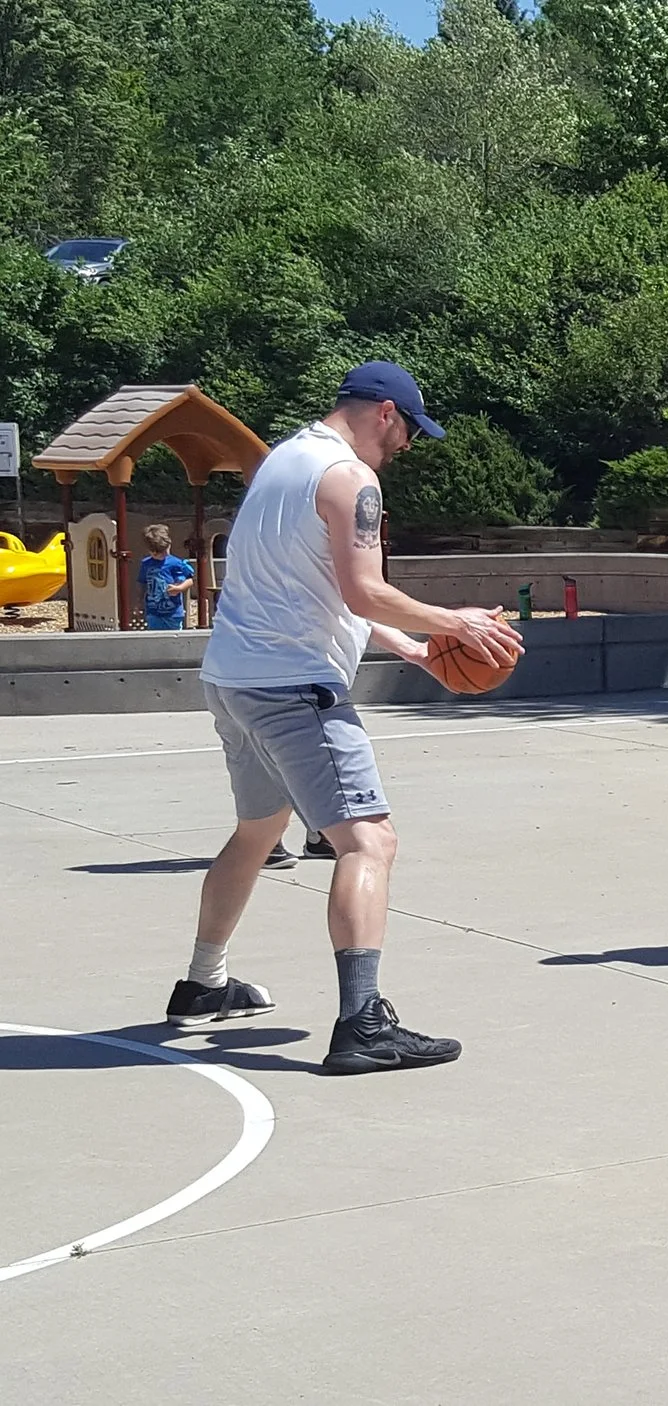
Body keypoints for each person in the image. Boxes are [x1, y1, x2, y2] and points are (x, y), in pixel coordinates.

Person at [177, 361, 523, 1074]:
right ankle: (362, 1023)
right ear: (386, 413)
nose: (406, 447)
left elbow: (326, 592)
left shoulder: (280, 463)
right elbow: (365, 590)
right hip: (294, 688)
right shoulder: (352, 478)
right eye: (409, 432)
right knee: (369, 842)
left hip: (233, 679)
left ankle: (203, 984)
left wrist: (418, 650)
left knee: (257, 832)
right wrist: (453, 621)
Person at [138, 523, 195, 630]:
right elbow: (143, 584)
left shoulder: (176, 563)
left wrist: (179, 588)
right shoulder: (146, 564)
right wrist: (140, 602)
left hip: (173, 613)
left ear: (169, 545)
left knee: (173, 636)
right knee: (155, 636)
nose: (161, 555)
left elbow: (190, 580)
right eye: (156, 553)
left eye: (163, 551)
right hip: (153, 612)